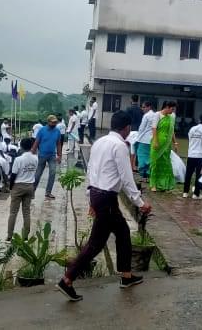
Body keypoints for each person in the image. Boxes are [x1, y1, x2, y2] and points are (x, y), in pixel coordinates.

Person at [56, 110, 151, 302]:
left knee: (123, 233)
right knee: (95, 244)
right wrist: (140, 203)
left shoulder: (99, 142)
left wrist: (90, 197)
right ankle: (67, 279)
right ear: (127, 128)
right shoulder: (120, 146)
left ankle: (126, 275)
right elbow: (126, 178)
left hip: (100, 195)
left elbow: (90, 170)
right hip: (107, 198)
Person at [7, 138, 37, 241]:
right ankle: (25, 237)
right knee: (26, 212)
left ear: (22, 147)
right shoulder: (35, 158)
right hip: (29, 186)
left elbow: (13, 175)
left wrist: (11, 188)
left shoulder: (18, 159)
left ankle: (9, 236)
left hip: (18, 186)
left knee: (13, 212)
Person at [31, 115, 63, 200]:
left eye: (55, 122)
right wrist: (32, 153)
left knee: (52, 173)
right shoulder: (42, 130)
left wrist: (60, 155)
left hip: (52, 155)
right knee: (38, 174)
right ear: (48, 122)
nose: (54, 123)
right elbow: (36, 142)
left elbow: (59, 144)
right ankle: (32, 191)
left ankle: (48, 192)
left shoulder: (57, 131)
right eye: (53, 122)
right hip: (42, 155)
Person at [149, 101, 178, 192]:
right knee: (155, 163)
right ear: (167, 107)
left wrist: (175, 142)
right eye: (172, 109)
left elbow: (172, 130)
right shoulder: (157, 115)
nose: (172, 111)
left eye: (174, 110)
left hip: (167, 145)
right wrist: (155, 141)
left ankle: (163, 185)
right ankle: (153, 184)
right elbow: (154, 128)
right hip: (157, 142)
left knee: (166, 164)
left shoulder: (172, 117)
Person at [183, 115, 202, 199]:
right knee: (199, 175)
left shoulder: (192, 129)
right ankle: (196, 194)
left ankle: (185, 192)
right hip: (200, 156)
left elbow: (190, 139)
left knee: (188, 174)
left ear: (199, 120)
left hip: (191, 154)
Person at [134, 101, 158, 178]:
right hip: (152, 140)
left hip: (144, 139)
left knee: (141, 156)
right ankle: (148, 172)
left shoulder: (146, 116)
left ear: (149, 107)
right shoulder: (156, 115)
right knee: (149, 157)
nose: (142, 109)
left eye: (144, 107)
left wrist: (137, 138)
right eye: (142, 107)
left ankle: (143, 173)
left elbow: (141, 128)